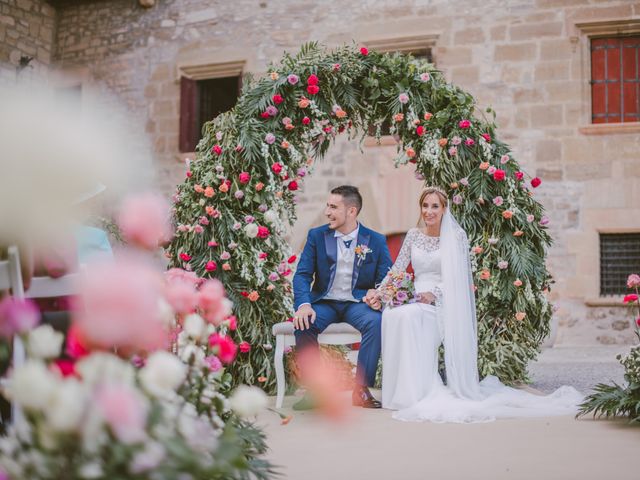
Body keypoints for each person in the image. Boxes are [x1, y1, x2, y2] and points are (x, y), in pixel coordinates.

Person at [375, 186, 583, 423]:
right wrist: (380, 293)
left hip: (440, 304)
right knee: (393, 314)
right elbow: (397, 270)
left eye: (435, 206)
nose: (429, 211)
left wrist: (435, 294)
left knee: (407, 316)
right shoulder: (413, 235)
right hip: (414, 299)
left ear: (444, 209)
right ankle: (401, 394)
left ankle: (418, 392)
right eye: (425, 206)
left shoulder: (455, 237)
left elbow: (458, 279)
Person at [293, 185, 392, 409]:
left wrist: (377, 293)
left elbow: (385, 278)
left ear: (351, 211)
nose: (327, 212)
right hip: (324, 302)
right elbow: (302, 274)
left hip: (356, 303)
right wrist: (304, 304)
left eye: (333, 207)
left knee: (375, 321)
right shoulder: (317, 236)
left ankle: (361, 390)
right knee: (303, 323)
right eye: (328, 206)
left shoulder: (375, 240)